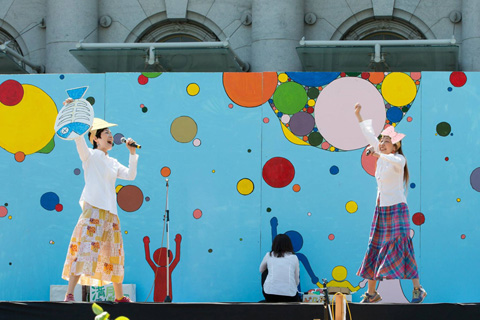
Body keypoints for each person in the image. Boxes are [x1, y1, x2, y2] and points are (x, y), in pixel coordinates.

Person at [61, 100, 139, 303]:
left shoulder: (112, 162)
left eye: (111, 135)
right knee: (85, 251)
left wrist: (132, 153)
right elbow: (79, 140)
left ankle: (119, 296)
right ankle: (70, 293)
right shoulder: (90, 156)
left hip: (111, 214)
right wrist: (74, 111)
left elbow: (130, 175)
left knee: (114, 253)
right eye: (107, 134)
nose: (111, 138)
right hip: (93, 210)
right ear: (95, 139)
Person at [354, 103, 427, 304]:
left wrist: (377, 153)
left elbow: (394, 161)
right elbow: (369, 135)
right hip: (381, 210)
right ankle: (371, 293)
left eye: (387, 141)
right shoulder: (383, 158)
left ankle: (417, 289)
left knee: (402, 245)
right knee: (375, 245)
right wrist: (359, 116)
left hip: (397, 209)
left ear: (395, 146)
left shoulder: (397, 159)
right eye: (382, 141)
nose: (383, 143)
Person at [259, 234, 300, 302]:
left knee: (265, 272)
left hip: (270, 295)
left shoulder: (269, 255)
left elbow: (261, 270)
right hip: (290, 296)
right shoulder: (294, 257)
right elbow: (296, 279)